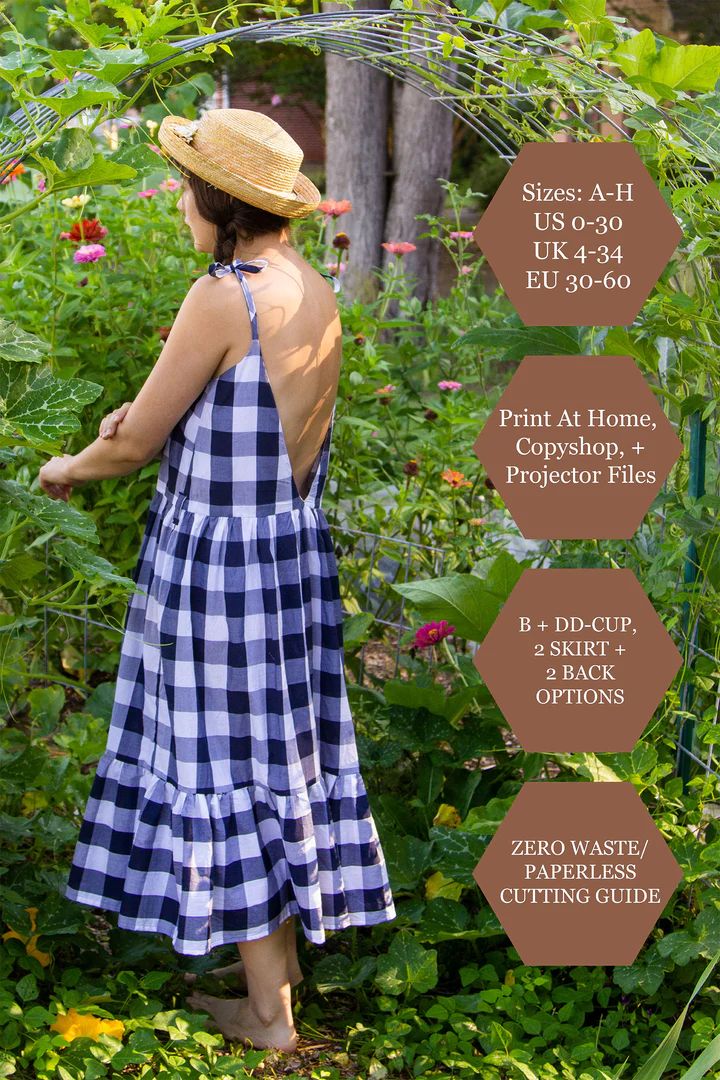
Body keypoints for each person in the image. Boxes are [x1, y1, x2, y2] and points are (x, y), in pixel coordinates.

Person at [38, 108, 396, 1053]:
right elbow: (236, 418)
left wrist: (68, 466)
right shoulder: (308, 286)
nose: (181, 209)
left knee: (220, 768)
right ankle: (270, 1003)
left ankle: (270, 1018)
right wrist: (141, 418)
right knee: (267, 765)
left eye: (189, 190)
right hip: (285, 560)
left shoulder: (223, 293)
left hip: (219, 573)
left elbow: (134, 449)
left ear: (215, 200)